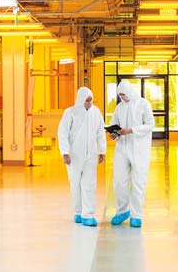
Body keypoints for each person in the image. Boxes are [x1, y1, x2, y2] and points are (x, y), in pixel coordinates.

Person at [108, 79, 155, 228]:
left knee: (138, 182)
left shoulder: (143, 104)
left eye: (124, 94)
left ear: (130, 91)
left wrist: (131, 130)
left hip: (139, 149)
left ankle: (136, 215)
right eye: (120, 95)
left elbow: (150, 125)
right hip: (122, 147)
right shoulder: (119, 107)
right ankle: (123, 211)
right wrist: (113, 134)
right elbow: (113, 122)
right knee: (119, 181)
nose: (123, 97)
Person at [57, 86, 106, 226]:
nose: (89, 103)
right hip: (74, 155)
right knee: (75, 183)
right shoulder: (70, 112)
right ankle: (78, 211)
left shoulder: (96, 112)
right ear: (80, 99)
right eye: (87, 100)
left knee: (89, 184)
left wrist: (102, 151)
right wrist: (65, 152)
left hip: (91, 153)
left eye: (91, 100)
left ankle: (88, 214)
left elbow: (100, 132)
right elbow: (63, 133)